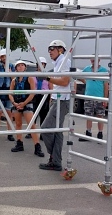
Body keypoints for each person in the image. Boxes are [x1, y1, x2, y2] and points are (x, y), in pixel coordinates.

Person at [40, 39, 71, 171]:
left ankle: (53, 157)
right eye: (49, 49)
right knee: (57, 132)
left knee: (45, 128)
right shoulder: (58, 63)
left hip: (61, 100)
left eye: (52, 49)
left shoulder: (64, 62)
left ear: (61, 50)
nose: (50, 51)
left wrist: (47, 78)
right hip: (57, 98)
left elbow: (64, 81)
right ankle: (56, 161)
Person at [8, 60, 45, 157]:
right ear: (16, 68)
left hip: (27, 103)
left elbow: (32, 93)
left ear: (25, 67)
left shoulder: (30, 78)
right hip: (16, 103)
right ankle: (19, 143)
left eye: (22, 65)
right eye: (18, 66)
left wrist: (24, 103)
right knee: (18, 123)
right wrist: (14, 103)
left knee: (31, 124)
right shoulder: (14, 80)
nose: (20, 67)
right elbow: (10, 93)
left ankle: (37, 146)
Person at [78, 59, 109, 142]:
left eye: (95, 59)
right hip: (88, 96)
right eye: (92, 59)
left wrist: (105, 99)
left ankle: (100, 133)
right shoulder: (87, 69)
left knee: (100, 115)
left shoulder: (103, 71)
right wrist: (85, 81)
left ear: (99, 60)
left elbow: (106, 86)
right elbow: (79, 76)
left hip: (99, 97)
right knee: (88, 115)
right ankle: (88, 133)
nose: (93, 60)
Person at [0, 49, 15, 142]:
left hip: (8, 90)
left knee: (9, 113)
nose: (4, 58)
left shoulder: (12, 66)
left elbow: (14, 79)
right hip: (0, 91)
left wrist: (10, 73)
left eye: (5, 56)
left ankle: (10, 133)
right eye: (2, 56)